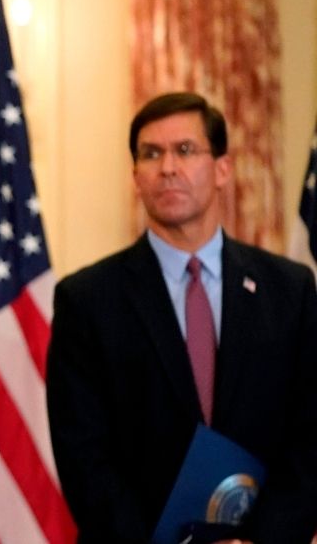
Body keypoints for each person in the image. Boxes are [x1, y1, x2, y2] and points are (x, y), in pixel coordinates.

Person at [47, 92, 317, 542]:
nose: (167, 167)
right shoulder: (87, 300)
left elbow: (311, 438)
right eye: (151, 154)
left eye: (185, 150)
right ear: (136, 176)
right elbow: (85, 459)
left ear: (222, 170)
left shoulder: (290, 290)